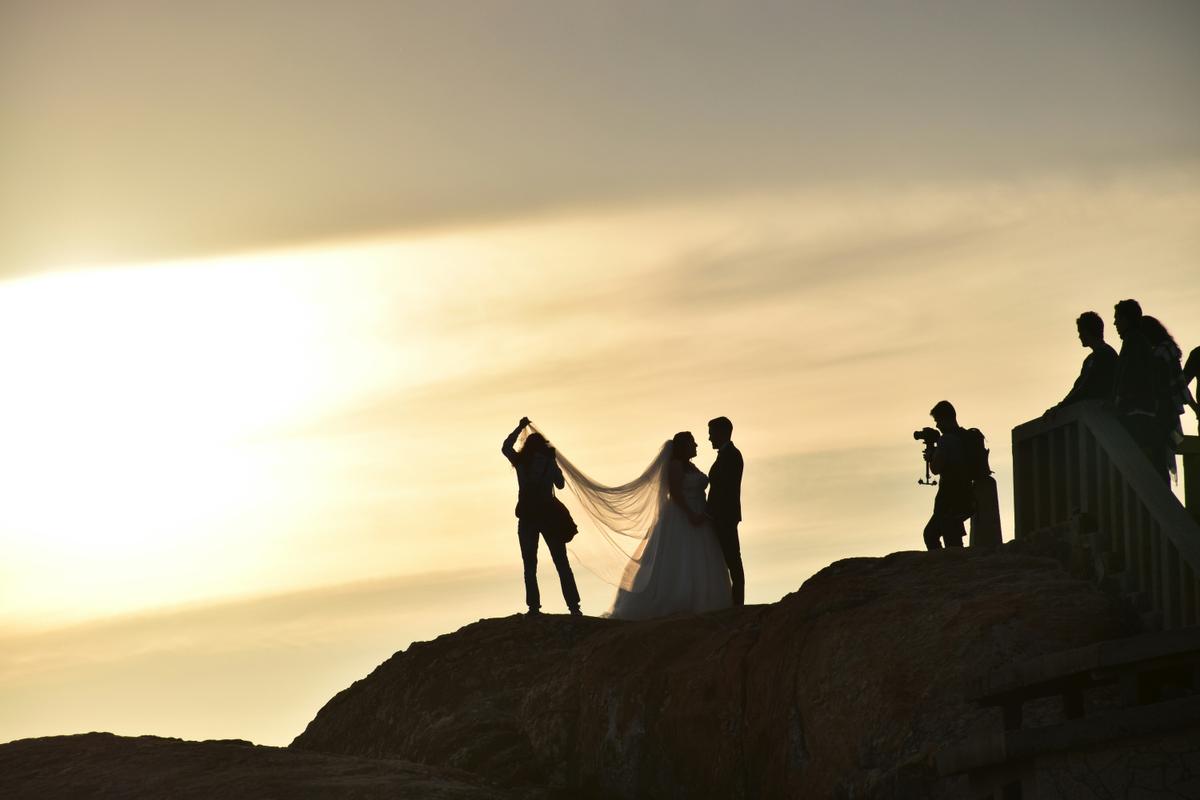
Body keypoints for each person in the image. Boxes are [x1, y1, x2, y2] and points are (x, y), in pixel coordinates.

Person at [606, 432, 732, 620]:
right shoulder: (675, 466)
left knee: (698, 558)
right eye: (692, 443)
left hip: (699, 515)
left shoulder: (690, 466)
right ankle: (677, 600)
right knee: (680, 557)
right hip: (683, 516)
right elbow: (674, 493)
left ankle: (700, 599)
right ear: (684, 447)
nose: (696, 445)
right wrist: (691, 514)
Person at [502, 417, 581, 616]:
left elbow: (505, 447)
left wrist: (520, 427)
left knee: (529, 564)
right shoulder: (548, 461)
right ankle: (574, 607)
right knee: (561, 562)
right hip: (549, 515)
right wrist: (552, 467)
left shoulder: (520, 462)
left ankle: (534, 607)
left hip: (528, 516)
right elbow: (561, 484)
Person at [1112, 300, 1168, 482]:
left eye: (1117, 319)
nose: (1115, 324)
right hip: (1146, 415)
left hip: (1138, 415)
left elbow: (1130, 375)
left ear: (1126, 319)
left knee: (1142, 470)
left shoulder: (1133, 341)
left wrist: (1119, 400)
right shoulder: (1140, 341)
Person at [705, 416, 746, 607]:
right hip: (721, 516)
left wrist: (712, 512)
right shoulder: (725, 455)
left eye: (711, 433)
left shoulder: (732, 456)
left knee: (732, 559)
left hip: (725, 516)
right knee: (726, 559)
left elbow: (726, 490)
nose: (709, 438)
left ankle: (737, 603)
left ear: (721, 433)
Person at [1045, 311, 1118, 415]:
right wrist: (1060, 406)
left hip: (1099, 412)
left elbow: (1085, 388)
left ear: (1088, 331)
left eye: (1080, 332)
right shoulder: (1090, 359)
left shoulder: (1106, 355)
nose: (1079, 336)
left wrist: (1061, 406)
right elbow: (1078, 387)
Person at [1141, 315, 1187, 479]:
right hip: (1169, 409)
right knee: (1161, 456)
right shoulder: (1169, 349)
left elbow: (1162, 383)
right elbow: (1179, 383)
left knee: (1158, 456)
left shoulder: (1159, 353)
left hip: (1162, 408)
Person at [923, 401, 972, 550]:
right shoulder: (964, 436)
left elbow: (935, 469)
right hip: (965, 494)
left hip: (950, 498)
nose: (937, 425)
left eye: (937, 421)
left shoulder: (947, 440)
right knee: (951, 537)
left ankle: (948, 567)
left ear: (945, 419)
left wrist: (932, 455)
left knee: (933, 535)